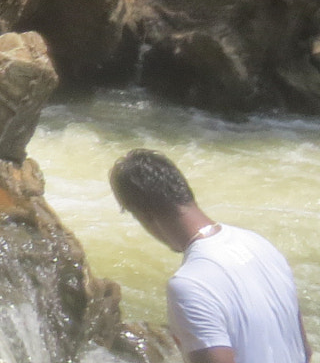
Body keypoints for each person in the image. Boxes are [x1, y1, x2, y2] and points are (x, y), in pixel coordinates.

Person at [109, 149, 312, 363]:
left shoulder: (190, 285)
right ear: (183, 191)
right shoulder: (262, 245)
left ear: (143, 215)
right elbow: (305, 352)